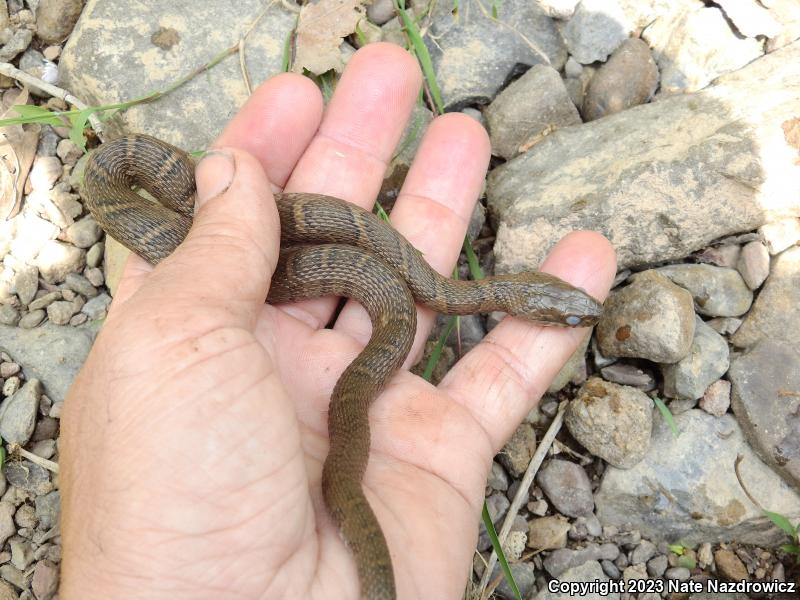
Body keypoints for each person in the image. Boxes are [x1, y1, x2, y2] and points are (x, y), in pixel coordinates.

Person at [59, 43, 616, 599]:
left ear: (527, 297)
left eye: (565, 310)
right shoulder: (429, 292)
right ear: (523, 301)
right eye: (567, 309)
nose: (576, 314)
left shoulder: (409, 298)